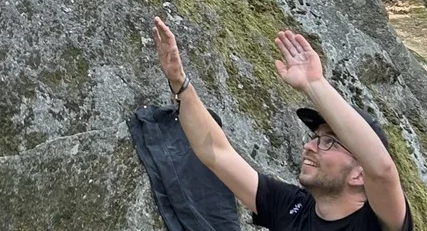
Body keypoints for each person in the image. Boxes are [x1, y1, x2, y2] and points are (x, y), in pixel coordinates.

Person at [151, 17, 413, 231]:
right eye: (315, 138)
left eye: (329, 142)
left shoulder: (375, 223)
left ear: (359, 175)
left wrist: (314, 84)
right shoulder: (289, 207)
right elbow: (216, 153)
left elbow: (381, 169)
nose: (309, 146)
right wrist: (179, 82)